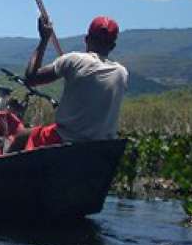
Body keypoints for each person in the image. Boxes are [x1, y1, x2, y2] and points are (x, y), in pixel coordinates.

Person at [9, 15, 128, 151]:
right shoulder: (122, 73)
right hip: (101, 148)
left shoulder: (74, 60)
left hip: (65, 140)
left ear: (86, 39)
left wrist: (44, 39)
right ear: (112, 46)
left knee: (22, 136)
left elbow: (31, 78)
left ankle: (2, 170)